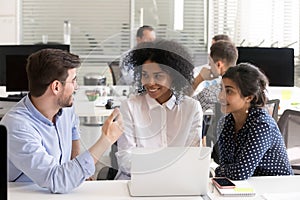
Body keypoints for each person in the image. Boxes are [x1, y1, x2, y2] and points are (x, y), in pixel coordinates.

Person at [0, 49, 123, 193]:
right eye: (73, 80)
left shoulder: (65, 107)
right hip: (28, 193)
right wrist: (106, 139)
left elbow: (73, 131)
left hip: (60, 191)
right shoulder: (17, 127)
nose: (76, 87)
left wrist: (78, 170)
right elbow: (56, 180)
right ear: (56, 87)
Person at [115, 39, 203, 180]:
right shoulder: (130, 107)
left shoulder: (191, 108)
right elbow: (125, 159)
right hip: (136, 181)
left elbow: (191, 157)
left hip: (177, 181)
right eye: (145, 75)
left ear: (173, 76)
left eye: (158, 76)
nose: (150, 83)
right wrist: (164, 169)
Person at [215, 63, 293, 180]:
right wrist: (222, 170)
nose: (221, 96)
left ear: (249, 97)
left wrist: (221, 170)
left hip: (276, 188)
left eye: (229, 91)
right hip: (248, 187)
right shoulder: (225, 123)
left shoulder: (262, 124)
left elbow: (240, 173)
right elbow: (225, 166)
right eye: (221, 89)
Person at [193, 40, 238, 146]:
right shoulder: (252, 86)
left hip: (226, 152)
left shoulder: (214, 92)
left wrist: (199, 78)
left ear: (219, 64)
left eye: (210, 62)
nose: (209, 65)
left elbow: (185, 104)